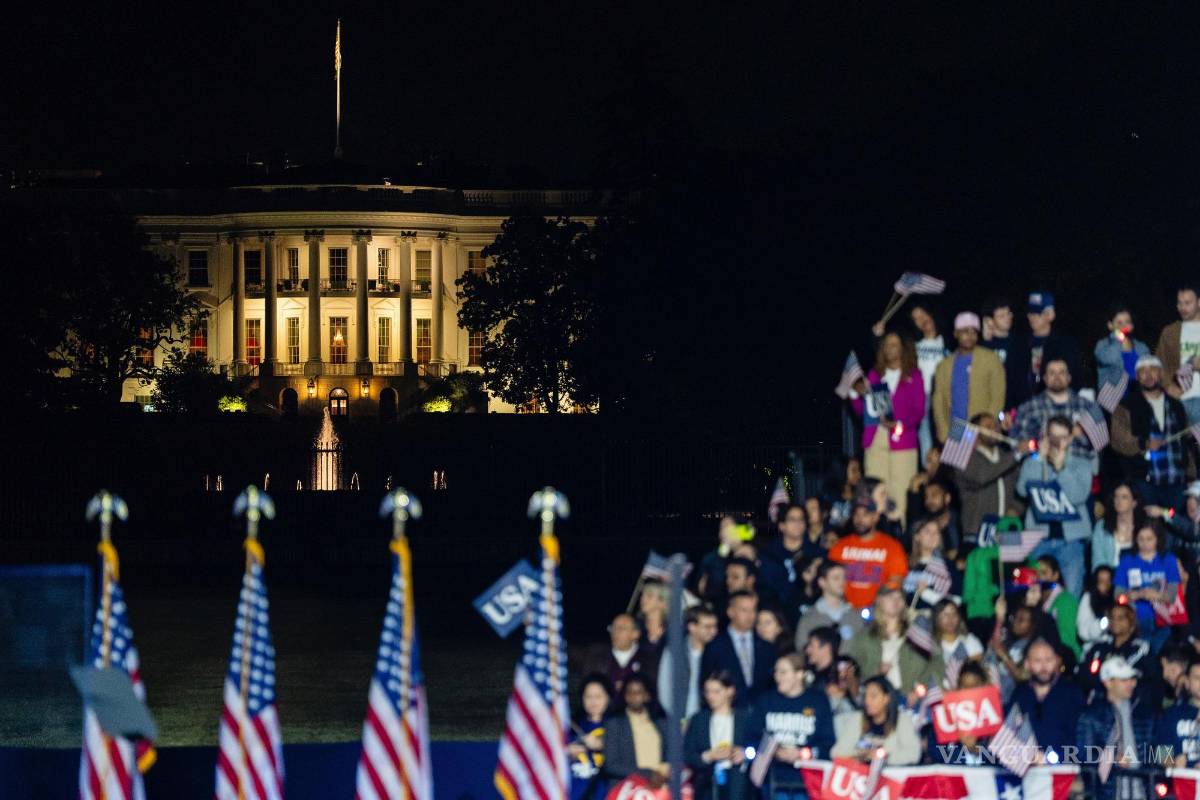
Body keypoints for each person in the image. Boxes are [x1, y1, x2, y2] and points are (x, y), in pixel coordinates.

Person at [850, 332, 926, 521]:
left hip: (903, 440)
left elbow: (919, 410)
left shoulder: (914, 375)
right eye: (887, 344)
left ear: (902, 348)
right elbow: (863, 411)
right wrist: (855, 393)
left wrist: (899, 423)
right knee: (874, 490)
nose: (891, 348)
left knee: (900, 491)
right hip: (876, 439)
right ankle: (877, 534)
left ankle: (899, 537)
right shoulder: (874, 375)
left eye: (895, 344)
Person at [1016, 414, 1093, 597]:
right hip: (1039, 538)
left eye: (1062, 437)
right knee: (1033, 590)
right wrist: (1039, 460)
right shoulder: (1033, 462)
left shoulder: (1082, 464)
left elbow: (1078, 496)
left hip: (1071, 541)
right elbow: (1022, 490)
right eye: (1053, 436)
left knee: (1072, 591)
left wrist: (1061, 469)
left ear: (1070, 438)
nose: (1057, 442)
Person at [1111, 354, 1195, 515]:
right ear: (1137, 376)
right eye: (1143, 371)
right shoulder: (1126, 406)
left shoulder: (1176, 405)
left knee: (1175, 525)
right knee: (1148, 529)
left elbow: (1185, 442)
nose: (1149, 375)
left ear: (1161, 373)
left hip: (1176, 481)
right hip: (1145, 482)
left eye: (1153, 370)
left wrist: (1190, 475)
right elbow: (1118, 440)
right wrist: (1145, 444)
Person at [1075, 656, 1156, 800]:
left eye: (1132, 679)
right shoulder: (1091, 716)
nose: (1131, 683)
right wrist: (1111, 759)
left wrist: (1168, 759)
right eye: (1124, 680)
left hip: (1142, 791)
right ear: (1108, 683)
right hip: (1107, 793)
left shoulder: (1144, 713)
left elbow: (1156, 748)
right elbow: (1083, 755)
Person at [754, 654, 836, 794]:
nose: (777, 677)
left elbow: (828, 742)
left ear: (799, 674)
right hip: (772, 777)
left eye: (783, 672)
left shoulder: (818, 701)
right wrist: (774, 751)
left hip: (808, 780)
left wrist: (803, 753)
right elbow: (752, 736)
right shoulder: (766, 701)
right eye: (776, 672)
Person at [843, 582, 939, 695]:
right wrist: (876, 672)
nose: (896, 601)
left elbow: (936, 661)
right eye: (890, 597)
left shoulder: (917, 633)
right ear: (879, 600)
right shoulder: (864, 637)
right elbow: (853, 671)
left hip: (911, 697)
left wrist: (921, 687)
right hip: (878, 699)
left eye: (900, 597)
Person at [1012, 357, 1107, 469]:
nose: (1057, 377)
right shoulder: (1028, 408)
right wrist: (1033, 446)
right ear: (1045, 379)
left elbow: (1101, 446)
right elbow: (1017, 446)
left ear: (1069, 378)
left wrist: (1078, 433)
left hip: (1077, 468)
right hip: (1041, 468)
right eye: (1052, 373)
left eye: (1062, 372)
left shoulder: (1087, 407)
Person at [931, 311, 1006, 445]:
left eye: (973, 332)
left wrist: (988, 427)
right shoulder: (944, 365)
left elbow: (998, 396)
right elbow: (938, 399)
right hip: (955, 428)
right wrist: (942, 430)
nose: (969, 336)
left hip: (981, 429)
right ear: (956, 334)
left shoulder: (990, 359)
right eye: (965, 331)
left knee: (981, 465)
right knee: (955, 465)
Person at [682, 671, 756, 800]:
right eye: (707, 692)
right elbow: (688, 754)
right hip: (707, 784)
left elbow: (759, 748)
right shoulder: (698, 720)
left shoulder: (746, 718)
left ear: (730, 691)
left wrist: (745, 754)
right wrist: (709, 756)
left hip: (738, 785)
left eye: (716, 692)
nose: (710, 696)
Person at [1007, 637, 1084, 759]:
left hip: (1063, 771)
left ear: (1058, 661)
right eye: (1037, 661)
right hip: (1025, 769)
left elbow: (1080, 738)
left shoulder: (1071, 694)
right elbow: (1010, 733)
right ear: (1027, 664)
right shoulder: (1020, 694)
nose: (1043, 667)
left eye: (1048, 660)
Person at [827, 496, 908, 609]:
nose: (860, 519)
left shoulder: (892, 547)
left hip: (879, 610)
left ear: (875, 517)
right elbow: (830, 580)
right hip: (845, 610)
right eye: (856, 515)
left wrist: (879, 605)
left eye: (865, 514)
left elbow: (896, 580)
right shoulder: (839, 546)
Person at [952, 412, 1023, 540]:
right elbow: (982, 476)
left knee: (1012, 560)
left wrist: (1016, 509)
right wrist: (1016, 454)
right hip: (978, 532)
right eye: (988, 427)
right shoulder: (965, 459)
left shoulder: (1006, 457)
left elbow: (1020, 489)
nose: (994, 429)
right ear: (975, 433)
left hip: (1005, 530)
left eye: (996, 425)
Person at [701, 591, 776, 707]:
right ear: (730, 612)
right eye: (744, 610)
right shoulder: (715, 646)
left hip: (760, 712)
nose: (750, 615)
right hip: (727, 713)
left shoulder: (766, 647)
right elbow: (705, 682)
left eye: (753, 610)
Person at [1114, 520, 1180, 653]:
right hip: (1137, 620)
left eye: (1149, 539)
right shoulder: (1127, 561)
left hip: (1164, 620)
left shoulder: (1168, 560)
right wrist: (1133, 595)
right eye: (1141, 539)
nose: (1145, 544)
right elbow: (1117, 595)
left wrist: (1156, 595)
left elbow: (1172, 595)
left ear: (1157, 539)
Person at [1078, 604, 1158, 709]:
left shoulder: (1142, 649)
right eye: (1112, 617)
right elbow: (1084, 676)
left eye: (1121, 618)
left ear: (1131, 623)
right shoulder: (1099, 647)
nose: (1115, 621)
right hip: (1096, 705)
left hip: (1130, 707)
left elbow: (1152, 682)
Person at [831, 675, 921, 765]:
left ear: (886, 699)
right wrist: (862, 755)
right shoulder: (858, 718)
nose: (867, 701)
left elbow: (913, 754)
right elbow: (836, 753)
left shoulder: (902, 720)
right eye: (865, 696)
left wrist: (882, 758)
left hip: (890, 775)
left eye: (873, 696)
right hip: (859, 774)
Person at [601, 674, 668, 783]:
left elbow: (670, 755)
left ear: (647, 695)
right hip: (627, 788)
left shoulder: (660, 722)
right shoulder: (614, 724)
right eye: (629, 693)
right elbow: (611, 765)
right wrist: (647, 774)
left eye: (638, 692)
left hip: (659, 786)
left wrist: (665, 769)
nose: (633, 697)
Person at [928, 661, 996, 765]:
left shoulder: (993, 716)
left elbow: (1003, 760)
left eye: (973, 686)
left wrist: (974, 749)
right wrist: (958, 743)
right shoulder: (947, 714)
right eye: (964, 686)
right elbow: (935, 753)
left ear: (984, 686)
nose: (968, 691)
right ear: (958, 687)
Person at [658, 606, 719, 720]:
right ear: (692, 627)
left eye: (715, 626)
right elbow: (664, 687)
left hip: (706, 718)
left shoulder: (717, 652)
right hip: (677, 718)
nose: (713, 631)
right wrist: (675, 716)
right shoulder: (675, 651)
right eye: (707, 627)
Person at [793, 562, 864, 659]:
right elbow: (802, 651)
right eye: (836, 578)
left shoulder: (854, 615)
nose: (842, 582)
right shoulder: (809, 618)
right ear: (822, 582)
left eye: (844, 578)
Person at [1022, 291, 1082, 399]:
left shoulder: (1066, 344)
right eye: (1030, 312)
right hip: (1026, 408)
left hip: (1055, 405)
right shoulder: (1019, 343)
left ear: (1051, 315)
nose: (1032, 317)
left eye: (1038, 313)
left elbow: (1075, 379)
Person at [1156, 284, 1200, 424]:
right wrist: (1168, 386)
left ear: (1199, 302)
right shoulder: (1170, 332)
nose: (1183, 307)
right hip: (1182, 402)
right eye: (1179, 303)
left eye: (1187, 303)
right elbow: (1158, 365)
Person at [910, 302, 949, 460]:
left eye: (923, 314)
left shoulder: (948, 341)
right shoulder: (913, 347)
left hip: (945, 397)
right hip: (922, 396)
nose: (922, 320)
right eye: (916, 319)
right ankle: (928, 467)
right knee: (924, 433)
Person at [583, 613, 655, 694]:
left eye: (621, 629)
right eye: (613, 628)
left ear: (635, 634)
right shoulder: (596, 658)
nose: (615, 632)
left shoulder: (648, 658)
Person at [981, 295, 1030, 412]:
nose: (1007, 318)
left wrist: (1014, 411)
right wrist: (986, 342)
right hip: (985, 409)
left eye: (1008, 313)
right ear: (990, 321)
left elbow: (1021, 383)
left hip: (1012, 410)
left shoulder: (1021, 345)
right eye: (1001, 316)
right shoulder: (981, 347)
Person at [568, 674, 613, 800]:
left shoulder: (617, 726)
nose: (593, 701)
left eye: (598, 696)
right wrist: (566, 752)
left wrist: (602, 745)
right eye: (588, 696)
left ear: (608, 698)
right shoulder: (572, 726)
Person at [1030, 554, 1080, 659]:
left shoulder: (1066, 600)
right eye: (1035, 573)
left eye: (1043, 573)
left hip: (1064, 657)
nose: (1038, 577)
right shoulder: (1033, 599)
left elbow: (1067, 639)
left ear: (1055, 575)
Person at [905, 518, 960, 610]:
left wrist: (926, 594)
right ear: (917, 537)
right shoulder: (905, 564)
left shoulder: (948, 565)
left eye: (936, 532)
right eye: (927, 531)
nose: (933, 535)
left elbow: (958, 598)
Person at [1094, 303, 1150, 391]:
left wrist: (1129, 349)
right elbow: (1109, 358)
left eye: (1127, 322)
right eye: (1119, 322)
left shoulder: (1141, 347)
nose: (1124, 326)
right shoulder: (1103, 345)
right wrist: (1119, 338)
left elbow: (1144, 371)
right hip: (1111, 396)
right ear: (1110, 325)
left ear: (1132, 326)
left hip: (1137, 394)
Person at [1158, 655, 1200, 766]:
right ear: (1187, 680)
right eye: (1197, 678)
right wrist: (1174, 764)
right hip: (1181, 780)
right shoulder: (1172, 714)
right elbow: (1161, 754)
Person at [1091, 483, 1144, 570]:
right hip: (1110, 578)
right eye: (1116, 496)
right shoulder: (1102, 527)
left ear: (1134, 502)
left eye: (1124, 497)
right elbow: (1097, 562)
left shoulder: (1144, 526)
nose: (1119, 501)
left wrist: (1163, 512)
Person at [908, 479, 964, 559]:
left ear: (947, 498)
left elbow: (953, 554)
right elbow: (910, 536)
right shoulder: (925, 520)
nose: (929, 501)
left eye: (934, 495)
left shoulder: (954, 519)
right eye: (926, 497)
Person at [931, 598, 983, 682]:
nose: (950, 619)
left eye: (954, 614)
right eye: (945, 614)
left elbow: (977, 671)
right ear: (937, 619)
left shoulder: (969, 641)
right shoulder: (931, 645)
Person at [1077, 566, 1116, 649]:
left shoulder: (1118, 598)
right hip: (1094, 647)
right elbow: (1083, 632)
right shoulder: (1088, 597)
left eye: (1109, 580)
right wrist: (1102, 624)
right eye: (1101, 581)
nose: (1106, 584)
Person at [825, 458, 863, 531]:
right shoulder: (829, 496)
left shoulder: (860, 494)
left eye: (859, 470)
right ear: (842, 471)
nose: (859, 474)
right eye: (854, 470)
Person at [636, 578, 669, 659]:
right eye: (642, 595)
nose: (642, 599)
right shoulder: (636, 626)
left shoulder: (670, 632)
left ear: (663, 602)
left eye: (649, 595)